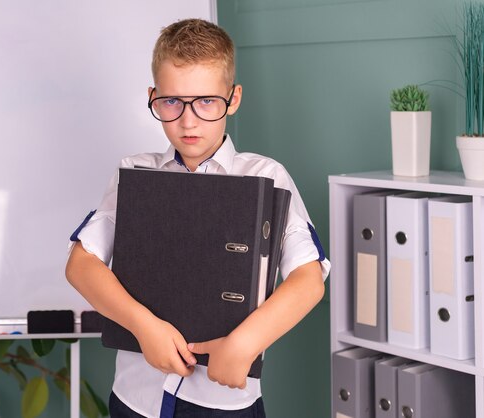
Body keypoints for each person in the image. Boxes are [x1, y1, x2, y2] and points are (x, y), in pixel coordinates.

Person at [65, 18, 330, 418]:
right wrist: (144, 326)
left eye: (207, 101)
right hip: (136, 398)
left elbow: (309, 279)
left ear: (233, 98)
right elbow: (81, 265)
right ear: (153, 97)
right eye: (172, 102)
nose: (188, 121)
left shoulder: (266, 176)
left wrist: (244, 344)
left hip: (224, 402)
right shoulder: (135, 173)